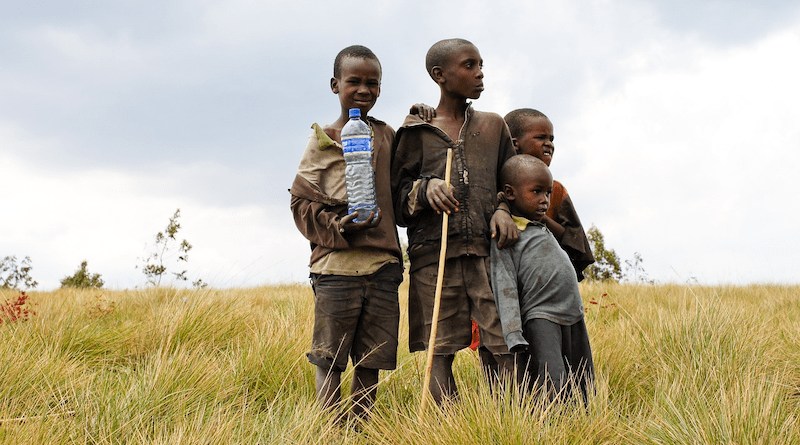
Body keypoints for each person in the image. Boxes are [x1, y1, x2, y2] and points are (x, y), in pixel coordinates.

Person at [289, 45, 432, 421]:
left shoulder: (386, 136)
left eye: (373, 83)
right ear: (336, 85)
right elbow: (300, 205)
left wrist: (416, 122)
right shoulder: (324, 139)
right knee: (330, 358)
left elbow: (402, 189)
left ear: (381, 89)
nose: (364, 90)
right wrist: (339, 227)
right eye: (354, 82)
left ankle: (359, 427)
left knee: (373, 357)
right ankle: (330, 430)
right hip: (335, 267)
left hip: (383, 266)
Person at [391, 38, 518, 404]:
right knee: (439, 350)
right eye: (469, 65)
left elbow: (510, 185)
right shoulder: (415, 133)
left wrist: (502, 210)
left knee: (503, 344)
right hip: (434, 258)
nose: (480, 74)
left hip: (488, 255)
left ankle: (508, 422)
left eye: (481, 64)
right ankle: (451, 430)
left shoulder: (494, 127)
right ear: (440, 75)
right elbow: (397, 202)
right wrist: (424, 188)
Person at [491, 154, 594, 403]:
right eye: (536, 192)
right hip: (541, 316)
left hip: (573, 315)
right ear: (510, 192)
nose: (544, 201)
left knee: (584, 379)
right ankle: (550, 428)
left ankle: (583, 428)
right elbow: (503, 283)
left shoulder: (540, 226)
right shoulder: (508, 232)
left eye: (547, 193)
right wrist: (514, 333)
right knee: (553, 382)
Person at [504, 108, 594, 279]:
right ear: (515, 143)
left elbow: (576, 245)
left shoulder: (556, 190)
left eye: (551, 139)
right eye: (541, 137)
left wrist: (542, 218)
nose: (549, 144)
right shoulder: (496, 184)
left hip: (544, 278)